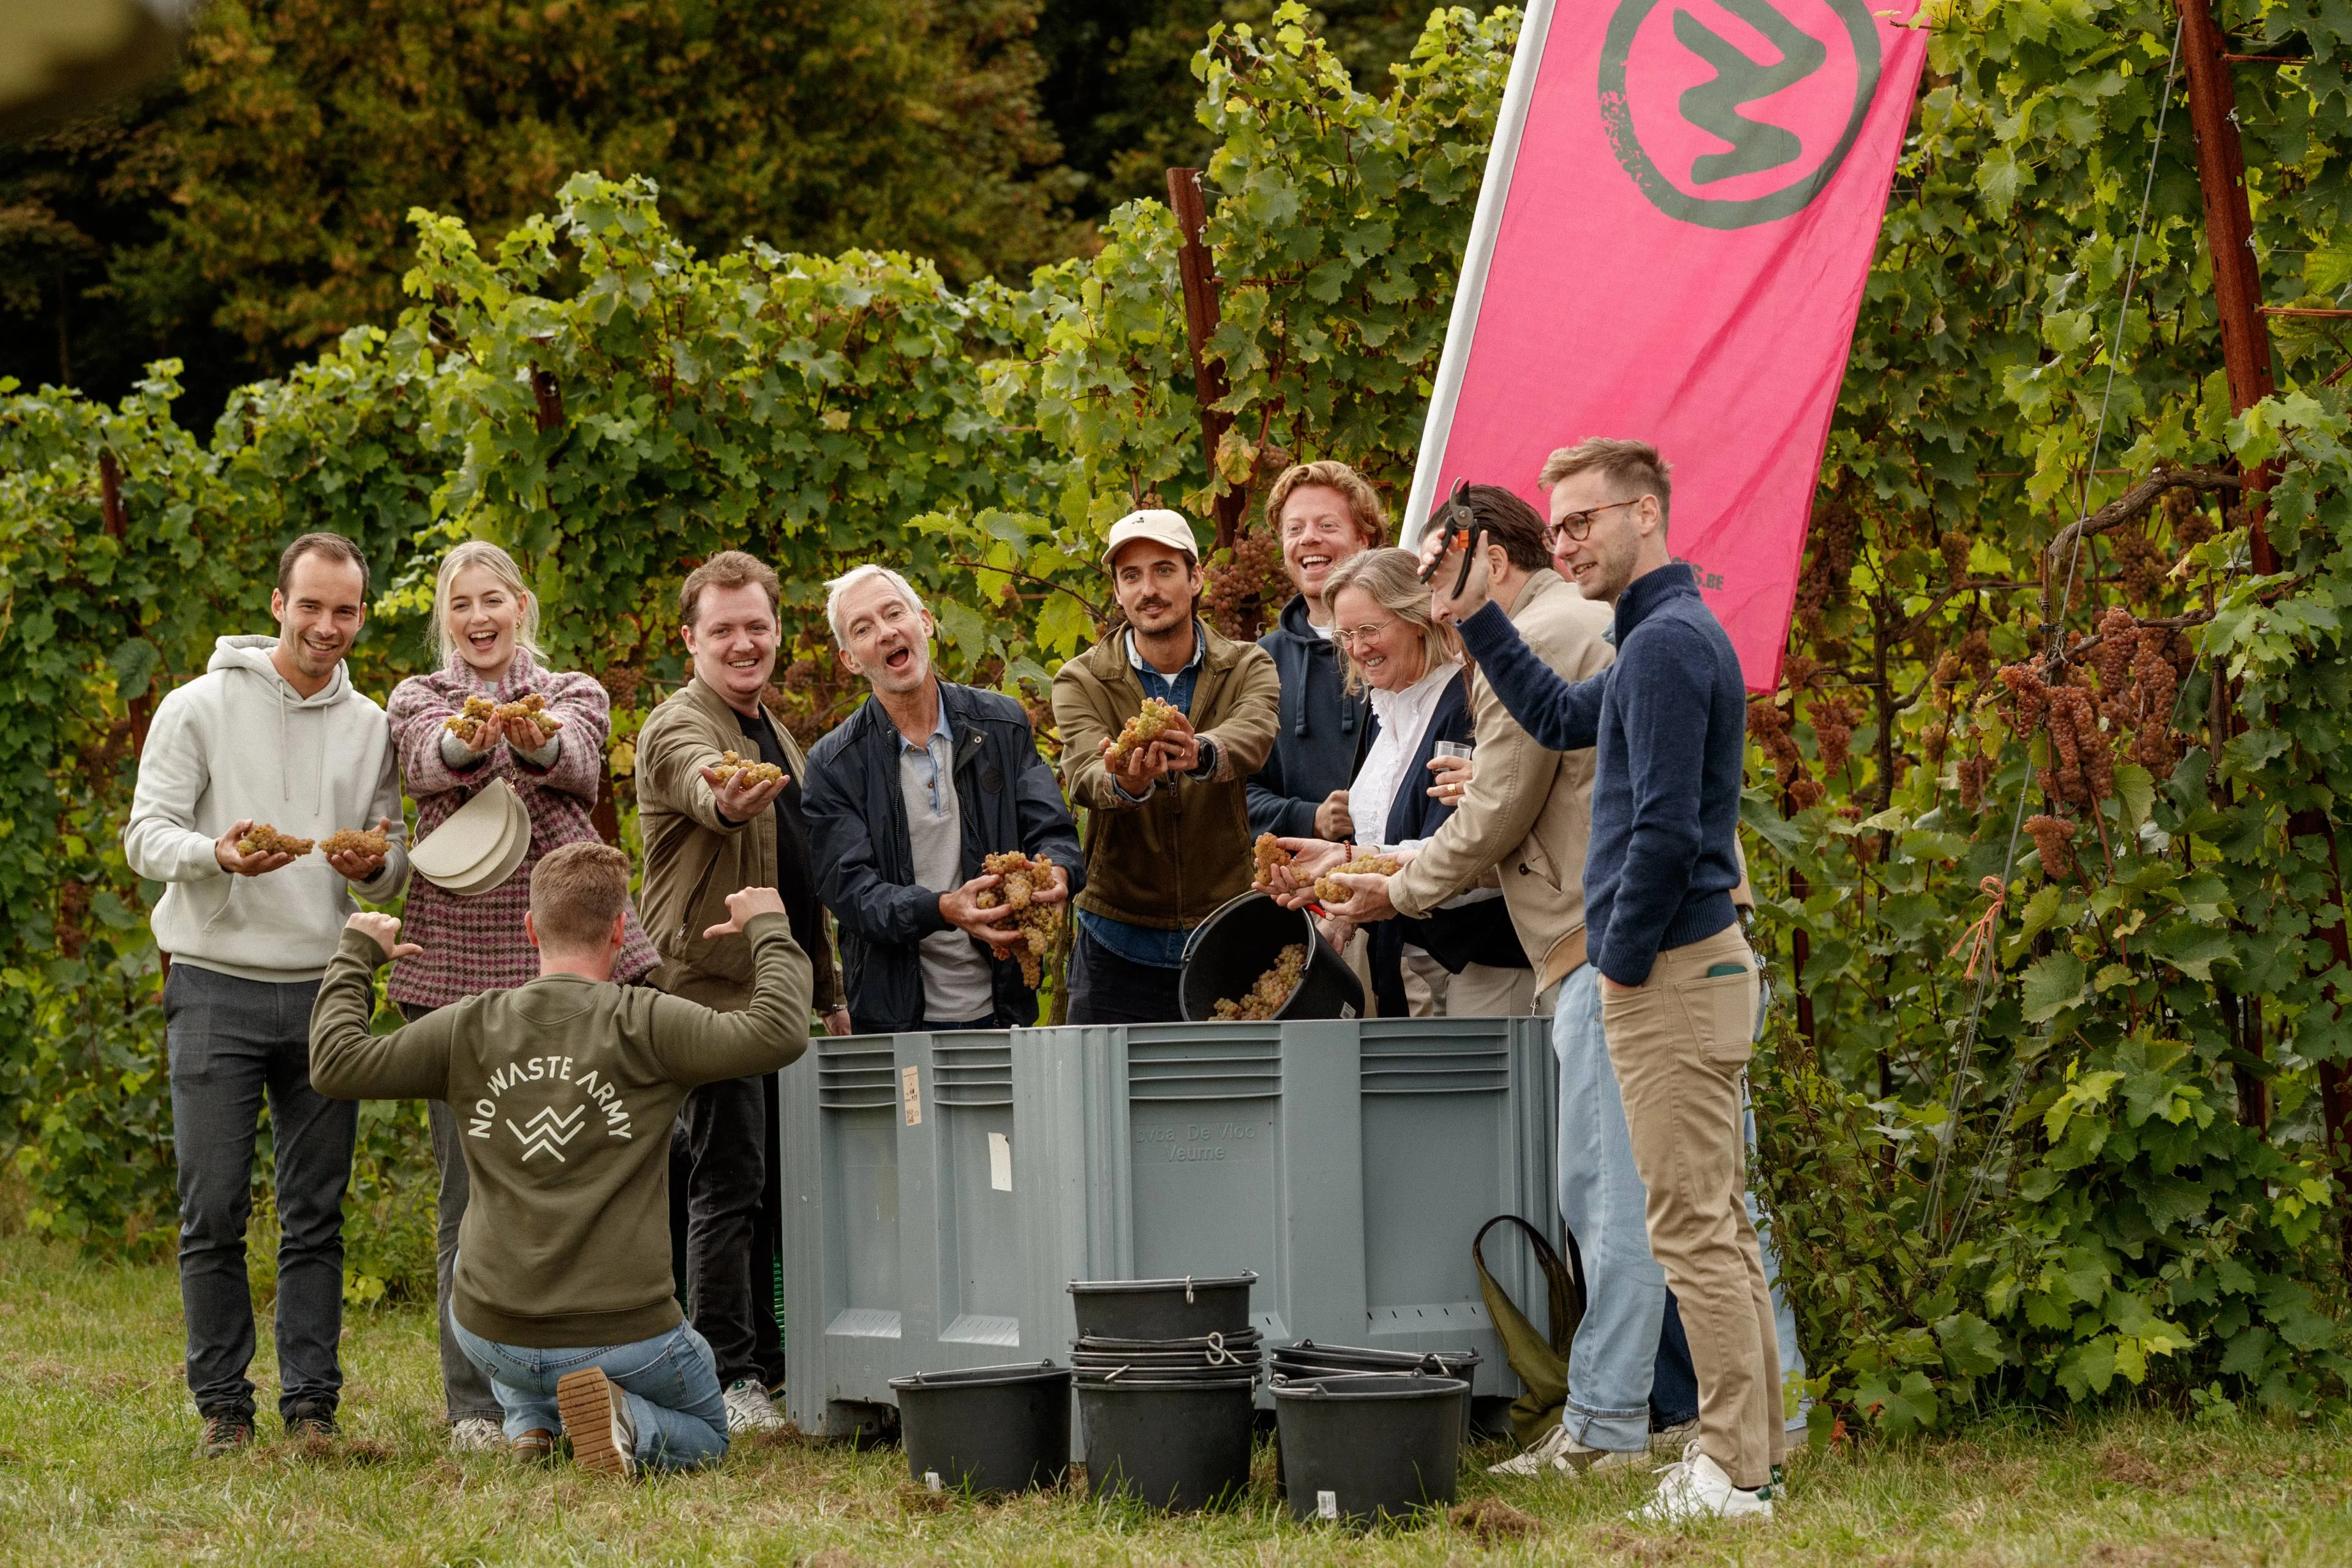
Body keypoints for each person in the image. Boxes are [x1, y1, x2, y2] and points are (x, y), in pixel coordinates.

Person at [1280, 491, 1695, 1466]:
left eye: (1431, 577)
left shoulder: (1536, 639)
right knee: (1688, 1193)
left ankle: (1610, 1420)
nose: (1429, 600)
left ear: (1485, 565)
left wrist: (1391, 888)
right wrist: (1365, 865)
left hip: (1591, 946)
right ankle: (1750, 1407)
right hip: (1610, 940)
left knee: (1610, 1191)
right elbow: (1529, 782)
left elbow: (1501, 813)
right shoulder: (1570, 632)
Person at [1425, 438, 1781, 1525]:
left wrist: (1619, 968)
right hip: (1680, 965)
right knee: (1711, 1219)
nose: (1567, 540)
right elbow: (1570, 720)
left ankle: (1732, 1470)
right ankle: (1750, 1452)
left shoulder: (1669, 646)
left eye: (1584, 521)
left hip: (1667, 967)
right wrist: (1477, 615)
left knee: (1689, 1228)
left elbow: (1669, 833)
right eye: (1558, 524)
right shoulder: (1653, 638)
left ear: (1645, 514)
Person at [309, 843, 813, 1475]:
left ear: (530, 929)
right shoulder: (648, 1023)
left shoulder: (469, 1026)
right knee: (709, 1433)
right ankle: (622, 1416)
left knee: (483, 1248)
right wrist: (769, 926)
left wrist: (357, 953)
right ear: (619, 930)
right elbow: (782, 1031)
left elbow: (334, 1064)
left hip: (493, 1333)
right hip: (627, 1339)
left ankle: (532, 1423)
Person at [123, 532, 407, 1456]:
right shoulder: (197, 707)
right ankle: (223, 1409)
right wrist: (219, 856)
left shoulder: (373, 728)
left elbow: (390, 866)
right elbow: (146, 838)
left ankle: (314, 1409)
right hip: (214, 985)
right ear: (278, 604)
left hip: (327, 990)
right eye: (312, 606)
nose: (329, 626)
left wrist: (377, 868)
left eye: (347, 611)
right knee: (212, 1207)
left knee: (315, 1211)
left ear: (363, 615)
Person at [383, 540, 664, 1453]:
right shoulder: (418, 696)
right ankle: (477, 1409)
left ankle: (593, 1395)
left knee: (595, 1181)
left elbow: (578, 762)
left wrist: (529, 731)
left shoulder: (575, 689)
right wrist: (477, 731)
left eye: (492, 599)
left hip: (572, 967)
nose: (477, 617)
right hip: (458, 976)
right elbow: (430, 760)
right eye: (461, 602)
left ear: (521, 605)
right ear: (446, 615)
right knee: (469, 1199)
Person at [635, 549, 850, 1435]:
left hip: (777, 996)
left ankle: (773, 1362)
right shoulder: (679, 724)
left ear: (776, 633)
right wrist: (726, 796)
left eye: (757, 625)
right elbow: (703, 785)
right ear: (691, 640)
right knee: (726, 1184)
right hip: (705, 995)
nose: (743, 642)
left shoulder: (778, 733)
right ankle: (727, 1377)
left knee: (770, 1188)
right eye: (722, 629)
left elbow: (801, 883)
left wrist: (828, 989)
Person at [801, 564, 1084, 1032]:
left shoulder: (1002, 725)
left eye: (895, 613)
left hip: (1004, 1010)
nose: (886, 632)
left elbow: (1052, 830)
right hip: (898, 1022)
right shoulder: (834, 765)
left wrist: (1056, 870)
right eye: (863, 628)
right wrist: (942, 909)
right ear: (850, 658)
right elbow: (852, 895)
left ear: (925, 622)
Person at [1278, 546, 1533, 1016]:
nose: (1357, 648)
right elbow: (1386, 839)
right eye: (1346, 635)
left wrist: (1345, 869)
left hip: (1483, 959)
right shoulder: (1382, 709)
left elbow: (1470, 850)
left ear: (1417, 618)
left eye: (1371, 630)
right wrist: (1337, 878)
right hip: (1407, 960)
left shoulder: (1467, 704)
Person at [1051, 509, 1280, 1024]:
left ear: (1195, 578)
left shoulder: (1247, 665)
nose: (1147, 590)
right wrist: (1122, 781)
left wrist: (1201, 751)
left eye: (1163, 570)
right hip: (1116, 940)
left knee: (1230, 1096)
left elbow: (1255, 735)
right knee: (1107, 1100)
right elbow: (1086, 772)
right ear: (1116, 591)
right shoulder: (1081, 679)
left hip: (1226, 930)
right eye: (1131, 576)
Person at [1246, 461, 1384, 843]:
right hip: (1298, 890)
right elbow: (1235, 792)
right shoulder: (1260, 663)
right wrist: (1308, 818)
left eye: (1327, 526)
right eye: (1295, 529)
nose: (1308, 539)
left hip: (1402, 879)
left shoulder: (1404, 646)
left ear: (1364, 539)